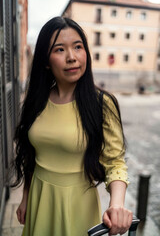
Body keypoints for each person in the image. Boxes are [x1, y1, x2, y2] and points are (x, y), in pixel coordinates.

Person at [13, 16, 132, 236]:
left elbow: (115, 162)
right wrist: (26, 197)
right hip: (40, 198)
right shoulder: (36, 101)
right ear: (46, 61)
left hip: (77, 203)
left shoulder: (101, 104)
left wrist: (117, 204)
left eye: (78, 47)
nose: (72, 57)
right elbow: (31, 155)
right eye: (60, 50)